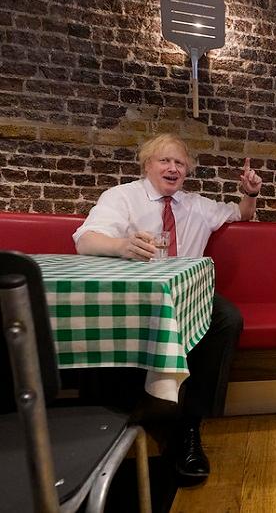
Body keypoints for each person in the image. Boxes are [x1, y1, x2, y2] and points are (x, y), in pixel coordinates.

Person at [73, 133, 262, 480]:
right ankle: (110, 424)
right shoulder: (122, 197)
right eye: (164, 160)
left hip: (188, 295)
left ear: (187, 171)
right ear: (147, 165)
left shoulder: (197, 205)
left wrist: (249, 193)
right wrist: (122, 245)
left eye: (179, 163)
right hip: (136, 296)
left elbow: (242, 214)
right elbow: (85, 241)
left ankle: (190, 426)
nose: (173, 168)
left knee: (227, 318)